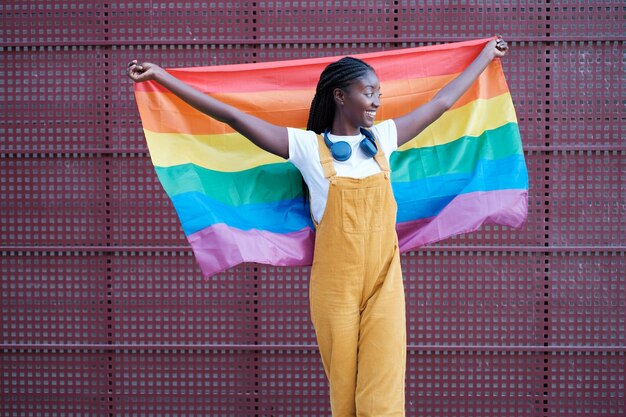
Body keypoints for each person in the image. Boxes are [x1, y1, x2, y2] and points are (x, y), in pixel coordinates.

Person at [127, 36, 508, 417]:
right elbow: (234, 117)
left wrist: (486, 56)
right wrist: (162, 78)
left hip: (384, 281)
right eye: (368, 92)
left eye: (379, 92)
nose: (377, 101)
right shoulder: (308, 148)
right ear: (341, 96)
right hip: (334, 288)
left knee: (384, 389)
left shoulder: (385, 139)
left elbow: (441, 103)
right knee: (344, 391)